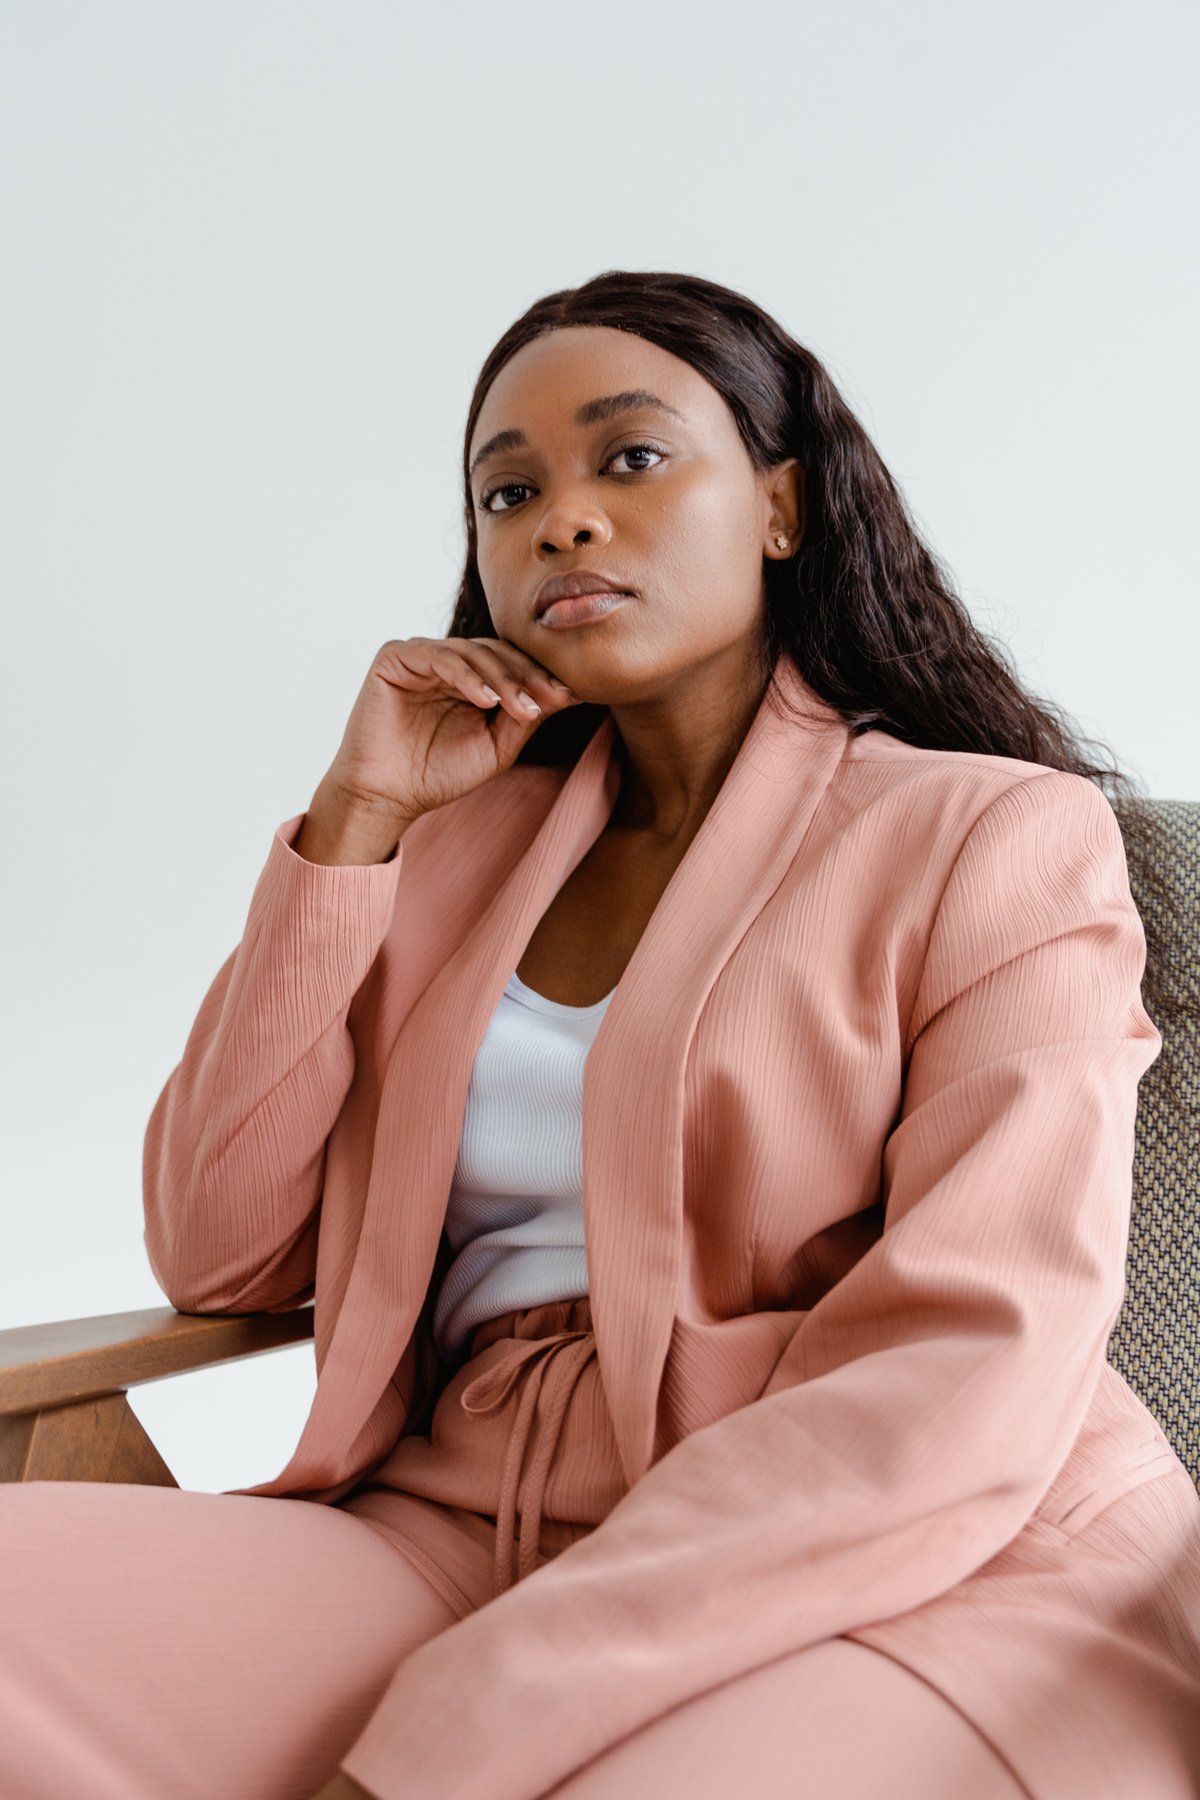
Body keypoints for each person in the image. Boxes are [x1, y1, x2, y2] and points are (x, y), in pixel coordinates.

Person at [3, 269, 1199, 1800]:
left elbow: (967, 1369)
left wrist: (449, 1738)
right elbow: (220, 1252)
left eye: (631, 458)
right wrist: (351, 834)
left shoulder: (995, 838)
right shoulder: (442, 854)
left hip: (921, 1559)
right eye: (508, 491)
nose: (561, 518)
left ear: (781, 507)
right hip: (451, 1527)